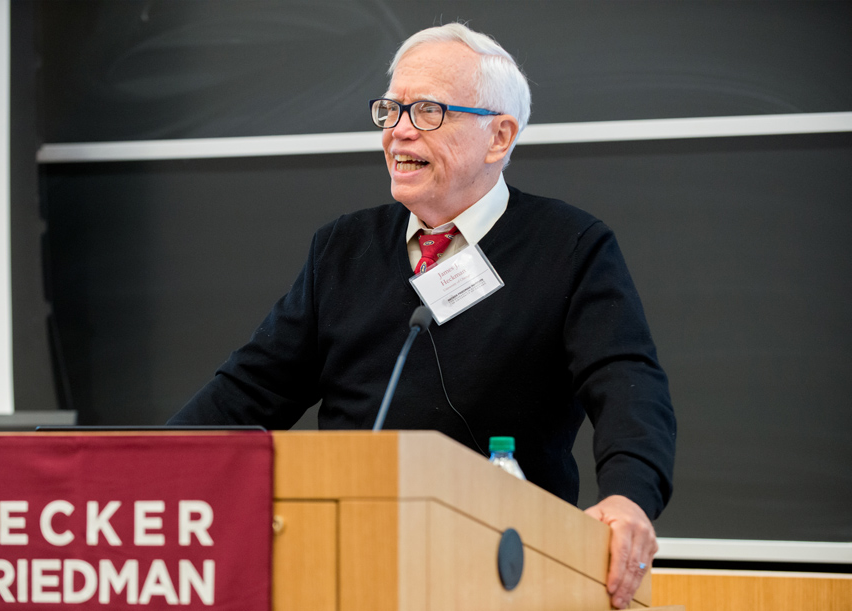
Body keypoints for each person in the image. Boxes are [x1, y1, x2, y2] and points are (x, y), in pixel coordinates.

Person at [168, 23, 675, 609]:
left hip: (508, 570)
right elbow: (251, 389)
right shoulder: (342, 248)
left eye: (429, 111)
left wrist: (629, 497)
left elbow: (628, 384)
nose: (400, 130)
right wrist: (151, 471)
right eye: (392, 109)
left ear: (499, 136)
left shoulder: (570, 246)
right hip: (343, 559)